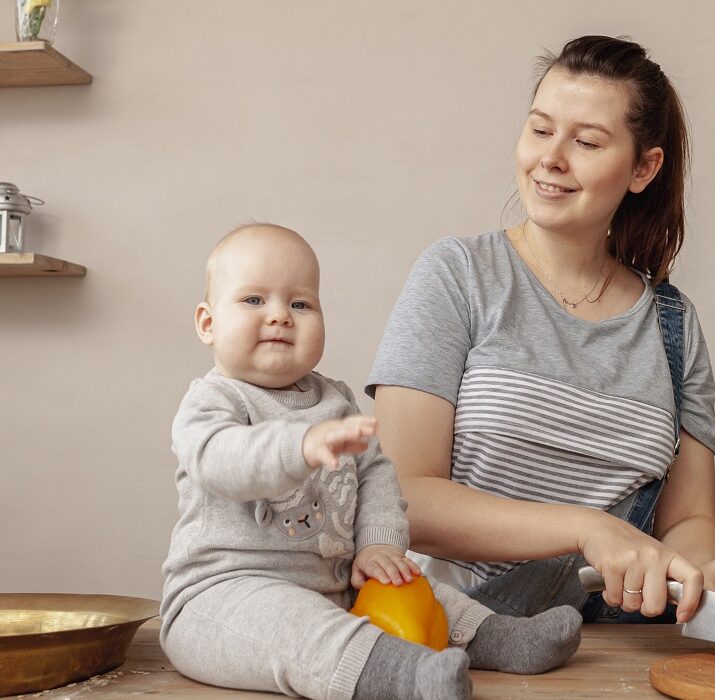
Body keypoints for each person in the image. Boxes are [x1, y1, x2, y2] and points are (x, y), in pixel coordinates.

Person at [366, 36, 715, 623]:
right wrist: (585, 528)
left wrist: (706, 572)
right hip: (455, 635)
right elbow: (402, 497)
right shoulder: (458, 275)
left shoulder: (674, 326)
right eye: (540, 130)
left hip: (618, 649)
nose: (551, 158)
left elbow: (687, 521)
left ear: (644, 168)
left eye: (587, 141)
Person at [159, 224, 582, 700]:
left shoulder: (334, 401)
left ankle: (499, 637)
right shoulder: (212, 401)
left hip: (336, 587)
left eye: (300, 304)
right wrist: (296, 448)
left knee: (415, 586)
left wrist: (379, 545)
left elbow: (376, 474)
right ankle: (403, 677)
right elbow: (221, 461)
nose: (280, 316)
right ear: (207, 323)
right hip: (225, 597)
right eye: (254, 301)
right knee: (302, 631)